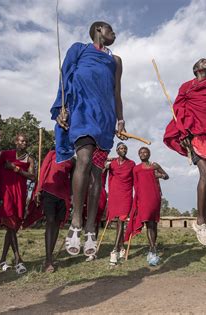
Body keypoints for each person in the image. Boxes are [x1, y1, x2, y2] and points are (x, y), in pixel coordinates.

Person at [50, 21, 126, 257]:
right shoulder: (79, 49)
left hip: (105, 117)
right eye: (110, 29)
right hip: (82, 111)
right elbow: (64, 78)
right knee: (82, 161)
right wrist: (62, 107)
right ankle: (75, 224)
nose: (114, 33)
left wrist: (120, 119)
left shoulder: (115, 61)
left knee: (96, 172)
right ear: (99, 30)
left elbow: (116, 92)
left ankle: (91, 227)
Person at [163, 58, 206, 246]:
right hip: (193, 134)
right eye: (201, 61)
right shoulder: (186, 87)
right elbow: (179, 108)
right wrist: (182, 132)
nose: (205, 61)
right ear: (195, 68)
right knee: (204, 173)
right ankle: (199, 222)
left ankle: (204, 222)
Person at [22, 149, 73, 272]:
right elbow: (43, 170)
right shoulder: (52, 153)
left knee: (56, 224)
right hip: (49, 191)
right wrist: (39, 190)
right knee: (50, 222)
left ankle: (49, 256)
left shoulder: (72, 159)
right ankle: (48, 259)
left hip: (63, 195)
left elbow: (71, 179)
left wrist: (70, 196)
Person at [0, 134, 35, 274]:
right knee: (10, 226)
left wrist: (15, 169)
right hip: (5, 194)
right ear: (16, 142)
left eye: (26, 141)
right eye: (21, 140)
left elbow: (33, 177)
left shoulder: (29, 159)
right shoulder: (5, 154)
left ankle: (2, 260)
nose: (24, 143)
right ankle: (18, 260)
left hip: (20, 194)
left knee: (13, 228)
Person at [125, 147, 168, 266]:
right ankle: (153, 249)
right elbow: (135, 184)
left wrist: (159, 175)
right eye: (140, 153)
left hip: (155, 196)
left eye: (145, 152)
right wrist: (136, 199)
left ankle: (153, 248)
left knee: (153, 223)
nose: (143, 154)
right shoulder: (136, 169)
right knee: (148, 222)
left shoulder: (155, 165)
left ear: (149, 154)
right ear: (138, 155)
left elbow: (166, 176)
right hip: (143, 198)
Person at [104, 142, 135, 265]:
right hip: (114, 195)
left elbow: (136, 177)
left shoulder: (131, 163)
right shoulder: (112, 164)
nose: (123, 150)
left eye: (125, 148)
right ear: (117, 151)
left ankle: (114, 250)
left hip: (126, 195)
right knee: (117, 222)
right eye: (121, 148)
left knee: (122, 221)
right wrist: (107, 160)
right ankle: (122, 247)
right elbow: (100, 169)